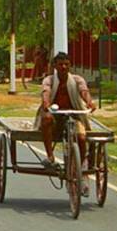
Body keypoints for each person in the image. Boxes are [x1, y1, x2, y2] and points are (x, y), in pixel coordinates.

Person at [35, 52, 95, 181]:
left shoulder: (77, 80)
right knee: (46, 119)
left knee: (81, 138)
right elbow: (46, 92)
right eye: (60, 64)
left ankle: (80, 166)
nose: (63, 67)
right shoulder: (49, 80)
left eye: (66, 64)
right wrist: (46, 103)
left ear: (70, 65)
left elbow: (84, 91)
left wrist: (89, 102)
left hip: (74, 115)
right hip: (55, 116)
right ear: (55, 66)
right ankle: (50, 156)